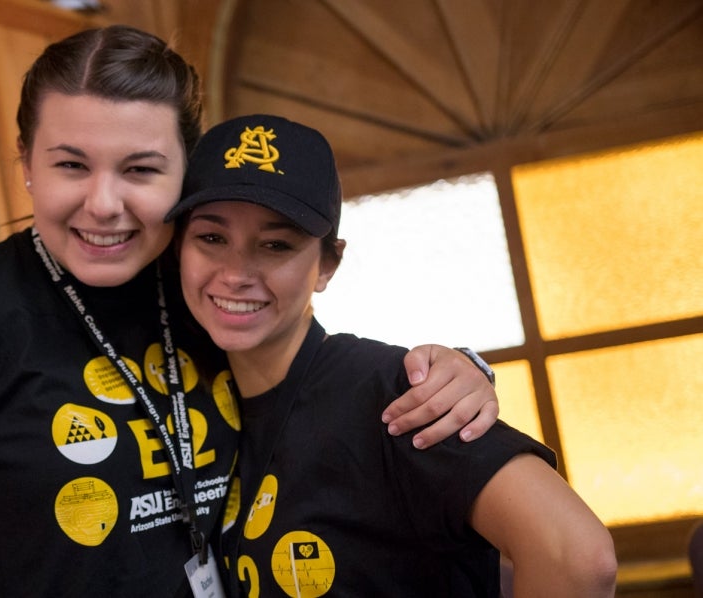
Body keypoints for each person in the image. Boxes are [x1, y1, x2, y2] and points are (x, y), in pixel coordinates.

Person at [0, 27, 502, 597]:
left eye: (140, 169)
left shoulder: (204, 282)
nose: (104, 204)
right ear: (24, 163)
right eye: (69, 165)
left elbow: (323, 384)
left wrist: (458, 368)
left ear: (185, 172)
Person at [170, 114, 619, 597]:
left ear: (328, 264)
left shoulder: (393, 393)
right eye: (212, 238)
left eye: (276, 244)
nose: (236, 273)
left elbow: (576, 556)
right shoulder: (199, 396)